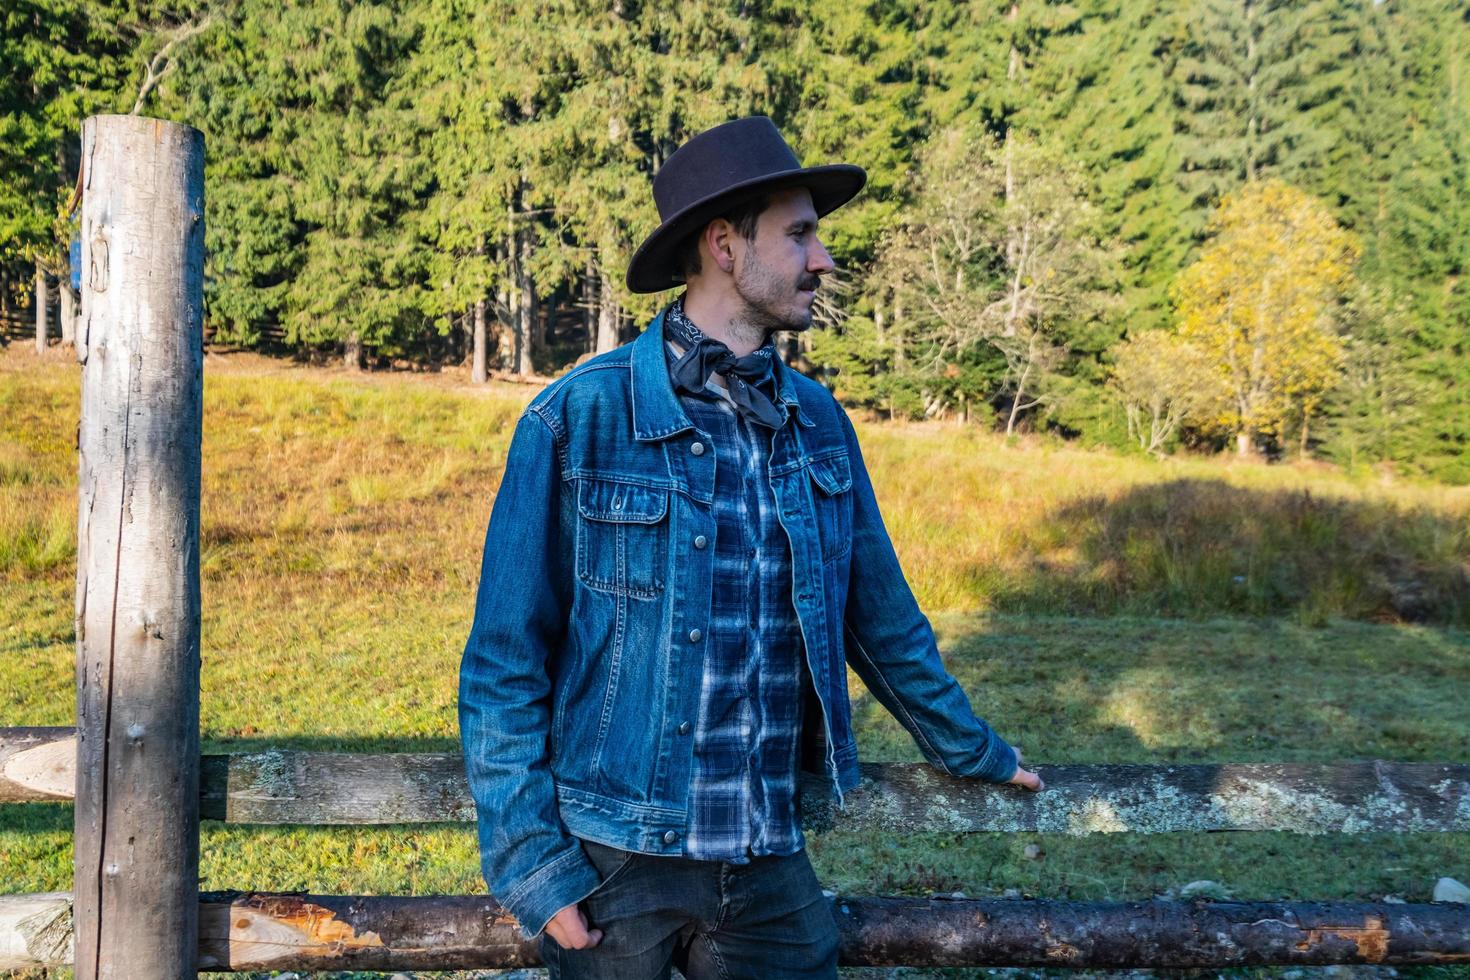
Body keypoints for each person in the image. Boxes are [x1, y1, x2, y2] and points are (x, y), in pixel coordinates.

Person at [459, 115, 1044, 980]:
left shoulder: (817, 424)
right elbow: (505, 660)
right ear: (726, 245)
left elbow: (880, 621)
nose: (824, 260)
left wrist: (970, 747)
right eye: (801, 234)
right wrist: (534, 868)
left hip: (766, 851)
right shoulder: (576, 417)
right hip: (616, 858)